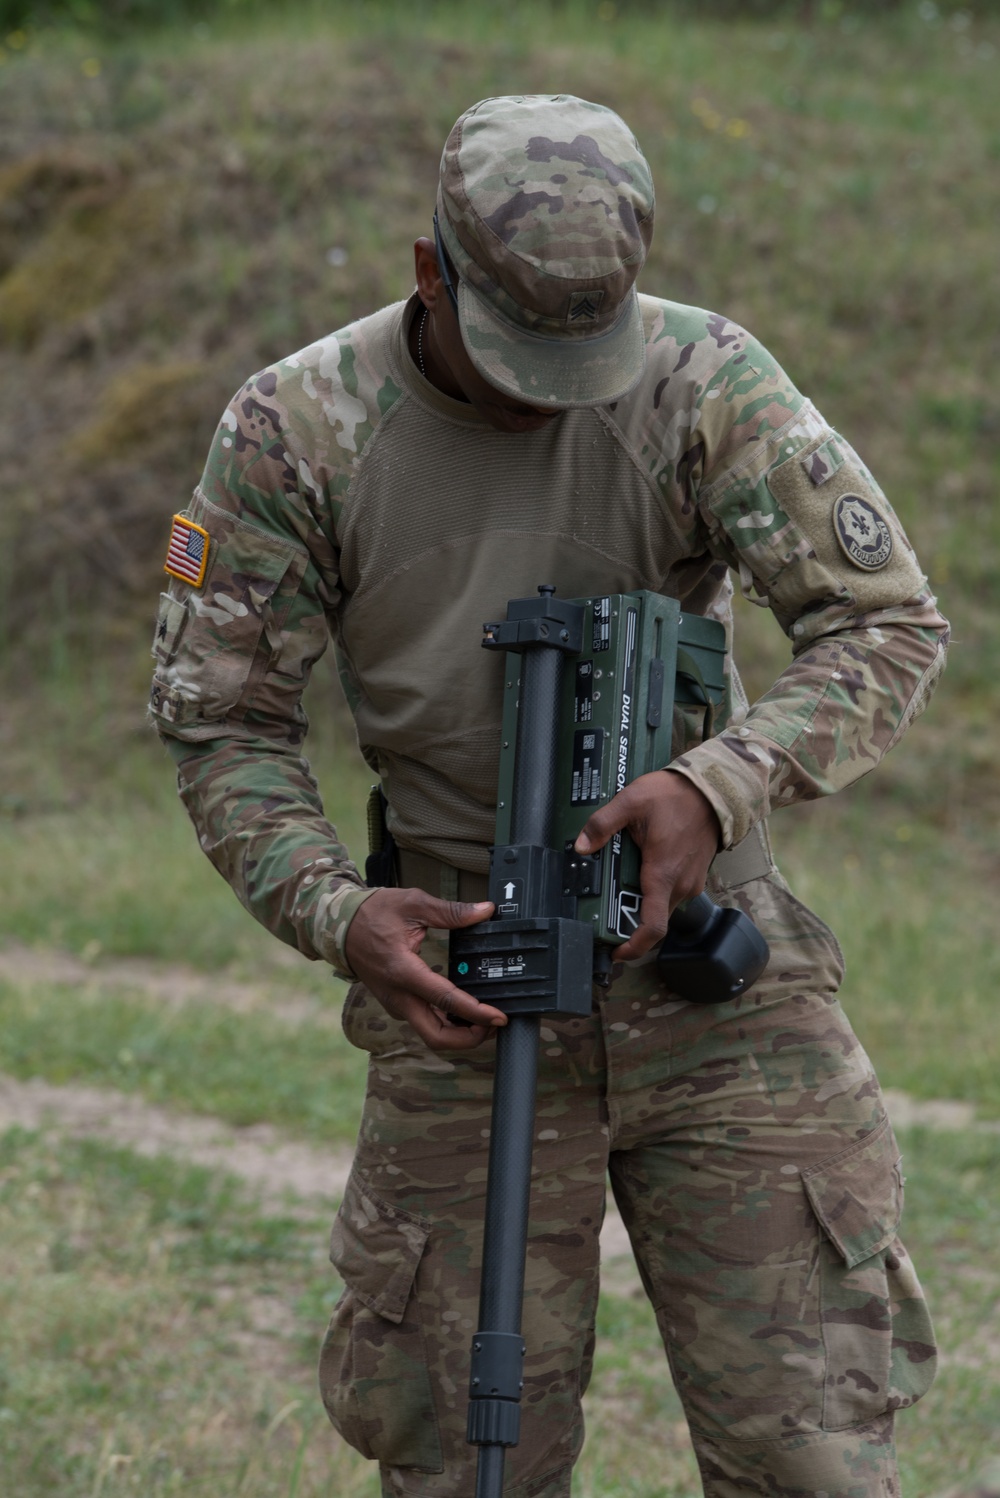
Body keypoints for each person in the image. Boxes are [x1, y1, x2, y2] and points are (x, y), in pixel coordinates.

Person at [150, 94, 947, 1498]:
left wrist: (720, 780)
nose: (563, 390)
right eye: (526, 352)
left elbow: (886, 623)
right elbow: (225, 724)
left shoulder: (707, 379)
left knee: (814, 1449)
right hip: (463, 974)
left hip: (712, 991)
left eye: (589, 352)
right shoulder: (297, 428)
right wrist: (341, 914)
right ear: (426, 270)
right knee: (465, 1455)